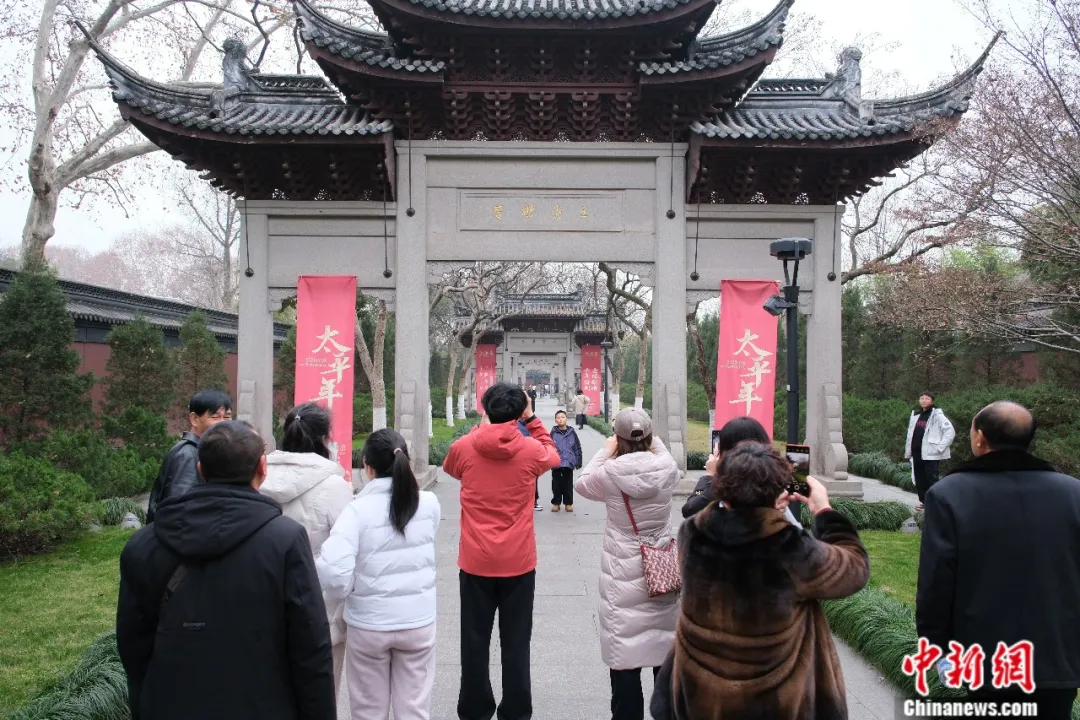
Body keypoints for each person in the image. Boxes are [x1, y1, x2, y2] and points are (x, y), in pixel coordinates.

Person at [116, 421, 335, 720]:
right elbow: (310, 644)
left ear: (200, 470)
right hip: (263, 705)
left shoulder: (143, 544)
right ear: (262, 468)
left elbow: (132, 644)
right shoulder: (284, 540)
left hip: (170, 704)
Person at [651, 443, 869, 720]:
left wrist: (763, 509)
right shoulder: (788, 547)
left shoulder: (692, 533)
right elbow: (854, 569)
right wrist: (824, 510)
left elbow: (737, 526)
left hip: (703, 697)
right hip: (775, 701)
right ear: (778, 489)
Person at [917, 401, 1080, 719]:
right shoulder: (1073, 492)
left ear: (980, 438)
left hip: (987, 659)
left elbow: (937, 582)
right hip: (1057, 655)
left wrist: (936, 647)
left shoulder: (949, 494)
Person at [442, 383, 561, 720]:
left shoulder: (464, 447)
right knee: (516, 642)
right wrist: (532, 420)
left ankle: (475, 709)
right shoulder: (531, 450)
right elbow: (554, 454)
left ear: (485, 409)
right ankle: (516, 711)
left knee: (474, 641)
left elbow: (450, 468)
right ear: (520, 411)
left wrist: (483, 428)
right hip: (518, 562)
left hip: (475, 561)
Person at [317, 429, 441, 720]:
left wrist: (351, 591)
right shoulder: (428, 504)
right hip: (417, 622)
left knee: (368, 712)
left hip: (369, 625)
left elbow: (333, 571)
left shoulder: (356, 511)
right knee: (414, 710)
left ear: (367, 466)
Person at [574, 407, 680, 720]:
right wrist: (649, 437)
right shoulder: (667, 467)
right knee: (665, 654)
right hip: (661, 569)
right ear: (650, 437)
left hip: (623, 571)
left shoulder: (610, 473)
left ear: (617, 438)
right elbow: (661, 451)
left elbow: (582, 483)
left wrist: (606, 451)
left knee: (625, 660)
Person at [260, 402, 354, 694]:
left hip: (264, 598)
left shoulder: (259, 476)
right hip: (318, 606)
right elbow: (346, 548)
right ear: (325, 438)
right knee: (320, 694)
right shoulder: (334, 485)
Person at [681, 416, 802, 530]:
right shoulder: (773, 492)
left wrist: (711, 476)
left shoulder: (724, 497)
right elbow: (797, 533)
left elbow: (690, 509)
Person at [146, 389, 232, 523]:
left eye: (227, 417)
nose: (223, 423)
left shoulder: (205, 451)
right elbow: (179, 511)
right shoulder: (188, 455)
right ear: (194, 419)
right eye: (215, 417)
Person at [904, 392, 955, 509]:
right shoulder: (916, 415)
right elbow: (911, 434)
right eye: (921, 398)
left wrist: (940, 447)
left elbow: (950, 432)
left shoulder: (937, 415)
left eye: (927, 398)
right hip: (917, 453)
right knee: (919, 479)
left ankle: (935, 503)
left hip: (931, 454)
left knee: (931, 479)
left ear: (932, 401)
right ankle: (924, 502)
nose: (924, 400)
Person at [550, 409, 583, 512]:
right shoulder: (553, 433)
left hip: (569, 462)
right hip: (556, 462)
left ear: (566, 419)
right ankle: (556, 503)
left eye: (563, 417)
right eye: (558, 418)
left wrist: (578, 460)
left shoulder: (572, 432)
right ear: (555, 420)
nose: (561, 419)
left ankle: (568, 503)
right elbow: (548, 447)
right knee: (556, 484)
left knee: (568, 484)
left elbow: (577, 447)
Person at [518, 418, 543, 511]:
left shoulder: (532, 423)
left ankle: (533, 501)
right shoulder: (517, 424)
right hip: (522, 456)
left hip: (531, 456)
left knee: (533, 479)